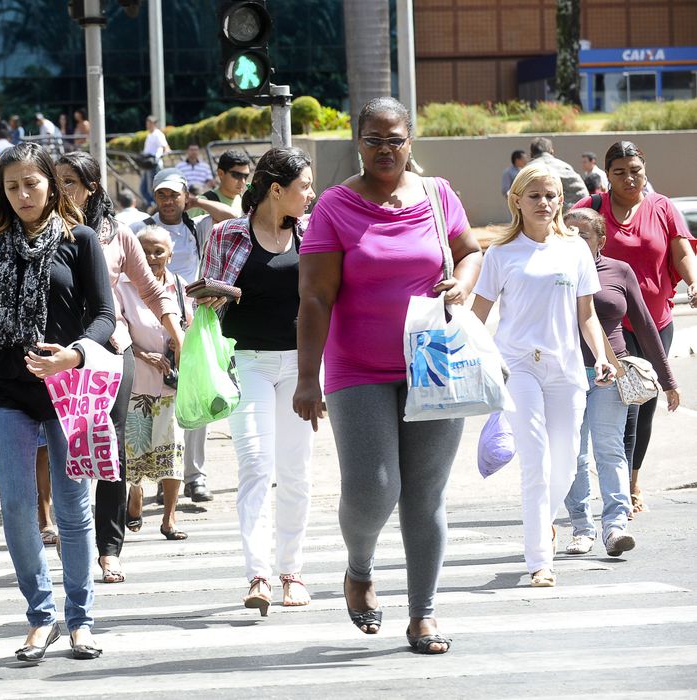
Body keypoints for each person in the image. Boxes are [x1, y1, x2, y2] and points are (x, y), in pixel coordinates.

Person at [295, 97, 482, 655]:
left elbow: (470, 252)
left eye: (394, 139)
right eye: (373, 139)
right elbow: (315, 296)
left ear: (410, 140)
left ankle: (423, 615)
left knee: (424, 495)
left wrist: (465, 282)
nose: (384, 149)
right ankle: (359, 569)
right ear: (358, 141)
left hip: (433, 360)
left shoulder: (437, 194)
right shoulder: (334, 206)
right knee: (374, 488)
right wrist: (308, 377)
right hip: (357, 367)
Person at [0, 142, 115, 662]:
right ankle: (41, 617)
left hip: (69, 390)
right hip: (7, 393)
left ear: (52, 184)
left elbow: (105, 316)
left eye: (32, 184)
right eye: (11, 186)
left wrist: (75, 354)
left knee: (72, 507)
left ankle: (80, 619)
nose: (22, 194)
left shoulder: (81, 240)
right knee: (18, 510)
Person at [471, 163, 616, 589]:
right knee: (535, 462)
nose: (544, 203)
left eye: (551, 196)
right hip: (517, 367)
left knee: (567, 464)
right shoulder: (499, 254)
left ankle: (543, 526)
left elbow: (586, 315)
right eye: (534, 196)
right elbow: (478, 316)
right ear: (517, 200)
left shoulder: (574, 251)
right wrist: (477, 359)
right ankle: (539, 559)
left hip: (567, 368)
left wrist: (602, 357)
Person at [55, 150, 183, 584]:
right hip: (59, 356)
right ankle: (71, 535)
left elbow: (151, 290)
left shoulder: (118, 236)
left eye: (69, 182)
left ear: (91, 188)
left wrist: (177, 336)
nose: (61, 190)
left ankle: (109, 549)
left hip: (112, 351)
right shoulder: (43, 232)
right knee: (66, 447)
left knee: (112, 447)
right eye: (56, 181)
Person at [200, 147, 316, 614]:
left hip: (301, 366)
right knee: (254, 466)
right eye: (303, 186)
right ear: (275, 189)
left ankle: (292, 572)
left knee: (295, 472)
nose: (310, 195)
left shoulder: (311, 234)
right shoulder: (228, 234)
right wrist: (221, 294)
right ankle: (258, 575)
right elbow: (204, 297)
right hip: (246, 362)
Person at [573, 140, 697, 513]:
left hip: (654, 321)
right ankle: (618, 488)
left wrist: (693, 281)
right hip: (607, 324)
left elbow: (682, 250)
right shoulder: (591, 208)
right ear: (606, 176)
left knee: (644, 404)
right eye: (620, 172)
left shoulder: (662, 207)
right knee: (620, 408)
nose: (629, 178)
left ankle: (632, 480)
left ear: (645, 170)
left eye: (636, 170)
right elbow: (558, 239)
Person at [561, 208, 678, 558]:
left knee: (609, 447)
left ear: (600, 239)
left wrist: (668, 379)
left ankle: (615, 527)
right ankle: (581, 528)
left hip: (609, 373)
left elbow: (644, 324)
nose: (575, 240)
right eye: (568, 233)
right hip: (564, 375)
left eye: (583, 234)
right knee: (574, 454)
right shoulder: (553, 272)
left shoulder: (619, 270)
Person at [130, 169, 214, 504]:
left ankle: (194, 477)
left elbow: (235, 215)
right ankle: (151, 483)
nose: (168, 201)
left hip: (188, 317)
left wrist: (198, 202)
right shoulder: (141, 230)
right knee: (148, 414)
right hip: (147, 334)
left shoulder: (198, 225)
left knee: (192, 407)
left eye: (174, 195)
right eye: (162, 194)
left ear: (184, 197)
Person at [119, 227, 192, 540]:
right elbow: (115, 331)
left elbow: (189, 326)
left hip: (171, 386)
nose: (151, 258)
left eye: (158, 252)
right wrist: (143, 354)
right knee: (136, 453)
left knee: (172, 450)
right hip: (136, 384)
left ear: (170, 254)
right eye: (145, 251)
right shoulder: (121, 287)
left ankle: (169, 518)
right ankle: (135, 494)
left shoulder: (180, 286)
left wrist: (181, 343)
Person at [528, 137, 587, 206]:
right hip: (567, 214)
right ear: (552, 152)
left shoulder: (526, 171)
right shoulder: (565, 167)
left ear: (531, 154)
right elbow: (583, 195)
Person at [139, 115, 170, 207]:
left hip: (154, 164)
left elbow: (166, 148)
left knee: (153, 188)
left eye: (149, 123)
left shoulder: (158, 134)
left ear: (154, 124)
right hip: (147, 164)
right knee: (143, 189)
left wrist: (158, 157)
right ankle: (152, 205)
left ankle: (156, 206)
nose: (147, 125)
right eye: (147, 123)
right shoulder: (149, 135)